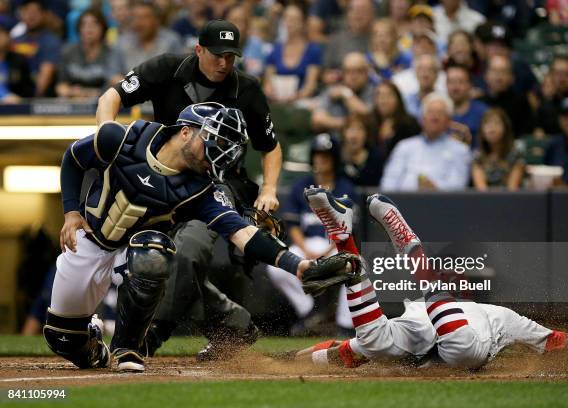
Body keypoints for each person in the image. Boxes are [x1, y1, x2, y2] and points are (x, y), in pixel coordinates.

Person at [46, 103, 334, 373]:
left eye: (224, 145)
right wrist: (71, 212)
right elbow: (73, 158)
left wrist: (297, 265)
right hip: (89, 240)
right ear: (185, 131)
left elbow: (242, 233)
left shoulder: (203, 190)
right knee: (62, 340)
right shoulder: (123, 137)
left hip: (132, 255)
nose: (218, 151)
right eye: (213, 139)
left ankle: (127, 347)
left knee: (153, 253)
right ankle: (94, 346)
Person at [96, 19, 283, 360]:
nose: (224, 63)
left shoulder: (247, 89)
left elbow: (270, 145)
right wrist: (106, 137)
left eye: (231, 56)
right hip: (164, 180)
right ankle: (234, 324)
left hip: (218, 183)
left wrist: (269, 189)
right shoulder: (167, 68)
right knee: (154, 260)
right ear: (199, 50)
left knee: (188, 250)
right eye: (217, 55)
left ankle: (149, 336)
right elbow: (112, 96)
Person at [282, 186, 568, 370]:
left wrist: (290, 360)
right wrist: (289, 360)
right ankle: (408, 247)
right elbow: (340, 351)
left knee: (382, 342)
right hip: (434, 334)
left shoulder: (496, 315)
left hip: (445, 335)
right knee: (379, 343)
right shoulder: (429, 311)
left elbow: (554, 341)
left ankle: (346, 243)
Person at [267, 133, 357, 336]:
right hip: (306, 245)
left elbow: (347, 229)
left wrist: (327, 252)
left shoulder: (345, 188)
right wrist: (306, 250)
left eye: (326, 155)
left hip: (335, 247)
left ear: (334, 159)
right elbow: (293, 225)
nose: (321, 160)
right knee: (275, 266)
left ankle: (345, 324)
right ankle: (310, 313)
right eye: (317, 155)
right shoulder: (301, 186)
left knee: (358, 266)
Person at [381, 93, 471, 192]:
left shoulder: (460, 150)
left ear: (448, 120)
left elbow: (458, 186)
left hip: (442, 204)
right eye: (430, 112)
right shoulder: (404, 146)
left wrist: (435, 188)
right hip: (402, 204)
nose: (435, 117)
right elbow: (388, 183)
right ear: (422, 118)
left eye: (440, 113)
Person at [55, 8, 124, 99]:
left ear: (103, 28)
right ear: (79, 29)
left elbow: (118, 81)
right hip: (73, 102)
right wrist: (72, 92)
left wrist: (94, 93)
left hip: (104, 102)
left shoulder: (111, 53)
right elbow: (60, 87)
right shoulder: (68, 51)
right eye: (84, 24)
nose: (89, 28)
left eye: (94, 24)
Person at [263, 4, 321, 103]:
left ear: (302, 23)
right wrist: (270, 92)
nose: (289, 23)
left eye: (294, 19)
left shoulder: (313, 50)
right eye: (286, 18)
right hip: (277, 100)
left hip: (301, 101)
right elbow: (268, 82)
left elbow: (310, 85)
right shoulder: (275, 49)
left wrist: (297, 97)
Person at [311, 52, 374, 134]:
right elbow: (317, 120)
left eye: (359, 71)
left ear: (366, 73)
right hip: (334, 142)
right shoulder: (334, 90)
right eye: (349, 71)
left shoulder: (374, 91)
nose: (353, 76)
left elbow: (367, 117)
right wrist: (347, 124)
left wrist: (346, 94)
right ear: (343, 73)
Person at [10, 0, 61, 96]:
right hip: (13, 92)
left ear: (44, 14)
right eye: (27, 12)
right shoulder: (15, 40)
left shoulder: (51, 41)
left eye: (35, 12)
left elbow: (46, 73)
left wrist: (33, 101)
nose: (31, 16)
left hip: (38, 95)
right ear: (21, 14)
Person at [115, 0, 182, 71]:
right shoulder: (122, 42)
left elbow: (179, 71)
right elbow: (113, 74)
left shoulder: (171, 41)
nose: (139, 23)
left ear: (156, 20)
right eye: (135, 17)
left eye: (145, 17)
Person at [479, 54, 534, 137]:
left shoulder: (521, 103)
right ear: (486, 75)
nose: (499, 76)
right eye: (494, 71)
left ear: (511, 77)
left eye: (503, 71)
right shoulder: (478, 103)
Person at [472, 108, 525, 191]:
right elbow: (481, 191)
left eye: (497, 123)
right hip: (485, 202)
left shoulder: (516, 155)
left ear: (505, 128)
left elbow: (512, 190)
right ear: (481, 130)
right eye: (487, 123)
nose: (491, 128)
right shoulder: (477, 156)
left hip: (510, 201)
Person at [369, 80, 420, 157]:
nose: (384, 100)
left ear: (398, 99)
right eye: (379, 96)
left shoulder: (410, 124)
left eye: (389, 96)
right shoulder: (369, 123)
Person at [446, 63, 488, 149]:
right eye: (451, 82)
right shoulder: (438, 112)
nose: (455, 87)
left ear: (470, 85)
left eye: (460, 82)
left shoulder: (483, 112)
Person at [341, 114, 384, 187]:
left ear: (367, 134)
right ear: (343, 133)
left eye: (360, 129)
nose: (354, 135)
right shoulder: (337, 156)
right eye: (350, 129)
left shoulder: (376, 157)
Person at [0, 19, 33, 102]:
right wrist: (4, 95)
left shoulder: (18, 60)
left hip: (16, 107)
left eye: (1, 33)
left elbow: (27, 88)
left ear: (8, 37)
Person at [404, 54, 441, 120]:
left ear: (437, 74)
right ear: (416, 73)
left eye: (430, 70)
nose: (425, 74)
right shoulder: (406, 101)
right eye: (421, 69)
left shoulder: (444, 101)